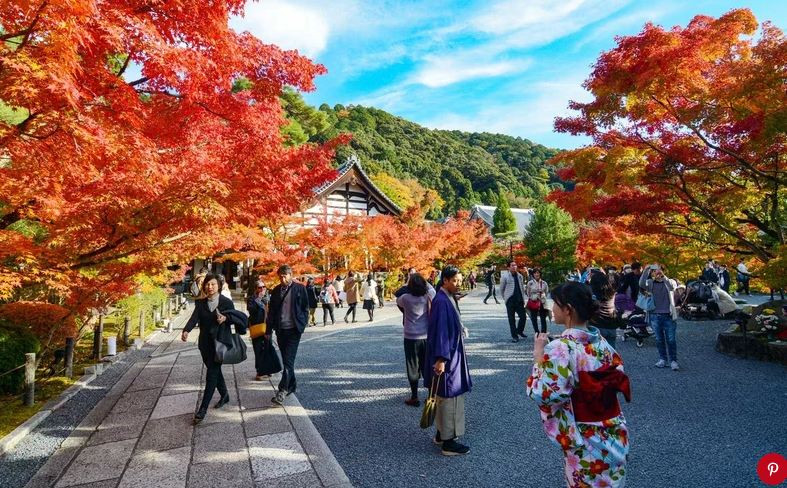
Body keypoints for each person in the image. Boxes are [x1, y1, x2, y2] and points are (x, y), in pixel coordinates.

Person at [526, 282, 630, 487]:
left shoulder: (560, 348)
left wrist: (538, 358)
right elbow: (619, 373)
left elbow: (544, 393)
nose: (551, 308)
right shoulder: (601, 343)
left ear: (568, 309)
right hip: (613, 430)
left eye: (555, 304)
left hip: (586, 437)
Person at [182, 274, 247, 423]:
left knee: (211, 374)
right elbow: (194, 318)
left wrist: (226, 318)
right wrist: (186, 330)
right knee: (215, 371)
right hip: (204, 344)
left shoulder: (226, 302)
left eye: (213, 284)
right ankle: (225, 395)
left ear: (219, 286)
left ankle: (202, 409)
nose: (209, 287)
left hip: (220, 343)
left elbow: (234, 318)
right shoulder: (201, 303)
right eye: (207, 284)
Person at [424, 265, 472, 456]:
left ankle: (441, 433)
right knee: (450, 396)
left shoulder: (445, 298)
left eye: (459, 280)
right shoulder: (442, 301)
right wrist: (441, 358)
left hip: (449, 355)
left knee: (442, 395)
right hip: (448, 357)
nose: (458, 283)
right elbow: (441, 332)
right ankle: (448, 442)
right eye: (454, 280)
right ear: (445, 280)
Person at [267, 265, 309, 405]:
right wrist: (268, 330)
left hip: (294, 330)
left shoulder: (300, 289)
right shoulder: (276, 290)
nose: (282, 279)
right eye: (280, 277)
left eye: (284, 276)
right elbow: (272, 312)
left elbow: (305, 308)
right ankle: (292, 385)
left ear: (291, 275)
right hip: (281, 329)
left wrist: (302, 324)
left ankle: (282, 390)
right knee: (287, 360)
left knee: (288, 361)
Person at [396, 273, 430, 407]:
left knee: (412, 366)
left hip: (410, 336)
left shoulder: (405, 298)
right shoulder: (427, 296)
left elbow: (397, 296)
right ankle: (431, 395)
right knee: (426, 365)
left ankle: (414, 396)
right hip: (426, 336)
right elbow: (432, 290)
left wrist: (407, 284)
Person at [639, 264, 680, 371]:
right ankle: (663, 359)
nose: (656, 272)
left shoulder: (670, 281)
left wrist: (663, 276)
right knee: (659, 339)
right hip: (655, 315)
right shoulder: (650, 283)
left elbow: (672, 287)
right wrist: (646, 270)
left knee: (671, 339)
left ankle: (673, 360)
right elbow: (641, 284)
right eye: (654, 271)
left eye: (659, 270)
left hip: (668, 315)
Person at [247, 281, 281, 381]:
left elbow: (273, 312)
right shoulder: (252, 299)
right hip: (257, 327)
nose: (262, 289)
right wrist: (258, 299)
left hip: (267, 327)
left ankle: (268, 370)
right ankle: (259, 372)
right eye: (259, 287)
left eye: (263, 287)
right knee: (258, 350)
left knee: (268, 348)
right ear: (255, 289)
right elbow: (251, 310)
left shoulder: (268, 299)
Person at [588, 270, 620, 348]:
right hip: (611, 325)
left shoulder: (592, 294)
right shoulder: (612, 292)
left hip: (596, 325)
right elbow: (616, 278)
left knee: (596, 352)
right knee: (611, 351)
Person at [500, 261, 528, 342]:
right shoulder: (505, 277)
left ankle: (519, 331)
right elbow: (502, 289)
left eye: (515, 265)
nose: (514, 267)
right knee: (511, 319)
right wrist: (506, 298)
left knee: (523, 317)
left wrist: (523, 298)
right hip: (510, 300)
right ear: (508, 267)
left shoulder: (520, 276)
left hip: (519, 300)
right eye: (512, 265)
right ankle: (514, 336)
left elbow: (522, 288)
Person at [526, 269, 549, 334]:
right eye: (535, 273)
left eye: (538, 273)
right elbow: (528, 293)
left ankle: (543, 332)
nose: (537, 274)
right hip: (533, 301)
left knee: (543, 318)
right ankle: (536, 331)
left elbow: (546, 292)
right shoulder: (530, 283)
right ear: (533, 274)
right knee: (534, 318)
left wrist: (542, 295)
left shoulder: (544, 283)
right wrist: (533, 296)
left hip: (542, 302)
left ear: (540, 274)